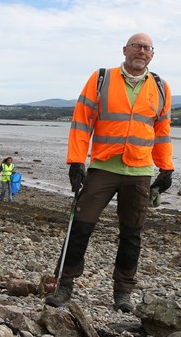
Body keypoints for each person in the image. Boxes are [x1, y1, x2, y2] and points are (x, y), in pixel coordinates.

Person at [45, 33, 174, 313]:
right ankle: (64, 284)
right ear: (125, 50)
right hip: (103, 166)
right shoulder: (101, 78)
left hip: (139, 170)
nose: (141, 52)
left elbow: (162, 131)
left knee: (132, 233)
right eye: (136, 47)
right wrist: (76, 162)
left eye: (146, 48)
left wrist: (166, 168)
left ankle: (123, 292)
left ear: (152, 55)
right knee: (81, 225)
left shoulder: (161, 87)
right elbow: (82, 120)